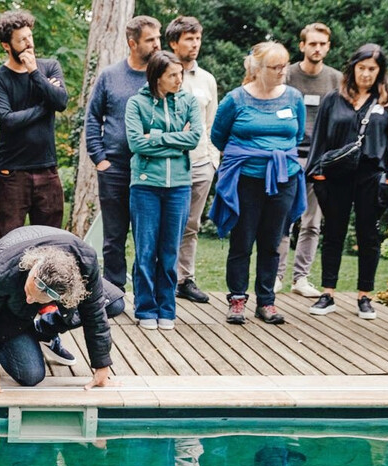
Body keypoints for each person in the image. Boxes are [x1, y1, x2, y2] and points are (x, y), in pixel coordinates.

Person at [210, 42, 306, 326]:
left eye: (284, 65)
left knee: (272, 242)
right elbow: (218, 136)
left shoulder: (293, 97)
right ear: (257, 68)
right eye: (275, 67)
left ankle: (266, 301)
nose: (282, 71)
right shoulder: (236, 99)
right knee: (242, 240)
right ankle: (237, 299)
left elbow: (296, 134)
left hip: (283, 178)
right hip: (246, 180)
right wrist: (250, 154)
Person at [0, 225, 124, 393]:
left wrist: (102, 366)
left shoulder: (86, 261)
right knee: (30, 375)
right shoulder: (0, 270)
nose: (29, 299)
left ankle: (44, 330)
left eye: (36, 299)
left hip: (60, 278)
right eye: (28, 291)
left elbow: (94, 313)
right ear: (34, 269)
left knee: (113, 303)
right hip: (1, 301)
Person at [306, 44, 388, 320]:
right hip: (337, 174)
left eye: (372, 69)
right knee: (333, 233)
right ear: (352, 68)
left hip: (371, 173)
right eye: (361, 68)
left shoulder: (387, 102)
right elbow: (319, 137)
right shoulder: (334, 99)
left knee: (369, 236)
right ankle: (328, 292)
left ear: (380, 72)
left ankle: (364, 296)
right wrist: (317, 171)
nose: (366, 74)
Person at [125, 51, 201, 331]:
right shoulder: (137, 103)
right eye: (172, 75)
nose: (179, 79)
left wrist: (155, 136)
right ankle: (145, 308)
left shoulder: (188, 101)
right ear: (157, 77)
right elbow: (135, 143)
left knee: (170, 252)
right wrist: (174, 141)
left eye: (180, 74)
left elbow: (193, 138)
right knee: (146, 250)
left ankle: (167, 308)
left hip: (179, 186)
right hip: (145, 186)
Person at [84, 15, 161, 291]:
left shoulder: (161, 77)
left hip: (150, 167)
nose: (157, 44)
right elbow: (93, 118)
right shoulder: (110, 76)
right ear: (132, 43)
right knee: (114, 237)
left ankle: (145, 294)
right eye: (150, 39)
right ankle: (113, 292)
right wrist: (100, 159)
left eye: (158, 38)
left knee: (147, 237)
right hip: (114, 168)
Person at [0, 10, 68, 241]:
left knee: (51, 241)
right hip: (11, 173)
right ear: (6, 45)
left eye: (29, 36)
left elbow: (61, 101)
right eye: (21, 40)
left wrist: (34, 72)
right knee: (8, 243)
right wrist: (45, 106)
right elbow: (8, 121)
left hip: (47, 169)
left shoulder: (49, 67)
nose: (28, 43)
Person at [275, 23, 342, 298]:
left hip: (320, 159)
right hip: (289, 155)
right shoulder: (287, 75)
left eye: (322, 44)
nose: (317, 49)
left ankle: (301, 278)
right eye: (312, 44)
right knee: (283, 219)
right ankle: (276, 275)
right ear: (302, 46)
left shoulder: (336, 79)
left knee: (312, 222)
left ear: (328, 47)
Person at [167, 16, 219, 306]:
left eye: (198, 38)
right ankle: (163, 279)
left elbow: (211, 125)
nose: (195, 44)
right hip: (169, 164)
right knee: (167, 223)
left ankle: (185, 279)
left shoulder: (207, 80)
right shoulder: (161, 74)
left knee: (191, 224)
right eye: (189, 39)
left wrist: (213, 160)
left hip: (201, 164)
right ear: (174, 43)